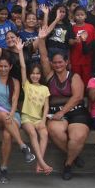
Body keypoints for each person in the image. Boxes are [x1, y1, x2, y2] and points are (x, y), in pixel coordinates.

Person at [37, 25, 90, 180]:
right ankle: (73, 156)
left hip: (76, 111)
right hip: (54, 111)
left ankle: (67, 164)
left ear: (66, 62)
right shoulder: (49, 74)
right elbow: (43, 56)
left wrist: (62, 112)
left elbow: (78, 97)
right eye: (55, 63)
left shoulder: (74, 77)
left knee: (77, 137)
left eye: (61, 62)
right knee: (55, 131)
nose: (58, 65)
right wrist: (41, 39)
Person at [0, 51, 34, 184]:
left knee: (7, 135)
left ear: (10, 67)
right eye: (1, 66)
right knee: (2, 115)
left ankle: (4, 168)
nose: (3, 69)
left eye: (6, 66)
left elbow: (14, 100)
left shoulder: (15, 81)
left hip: (12, 115)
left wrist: (12, 113)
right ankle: (23, 146)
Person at [16, 49, 53, 174]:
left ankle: (39, 164)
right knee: (32, 133)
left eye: (37, 73)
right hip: (27, 118)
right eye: (32, 73)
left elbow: (46, 106)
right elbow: (22, 67)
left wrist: (43, 121)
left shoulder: (45, 88)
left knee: (44, 134)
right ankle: (42, 162)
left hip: (38, 119)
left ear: (41, 75)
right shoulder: (27, 85)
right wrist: (20, 51)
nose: (35, 76)